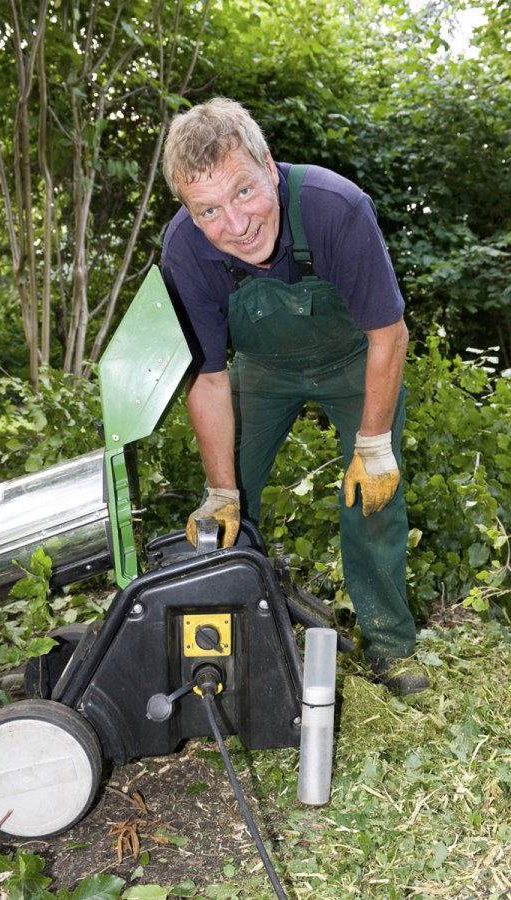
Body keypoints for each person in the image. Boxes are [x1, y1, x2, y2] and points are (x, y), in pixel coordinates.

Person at [160, 98, 428, 695]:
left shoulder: (335, 208)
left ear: (269, 167)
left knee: (372, 496)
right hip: (262, 370)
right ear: (188, 211)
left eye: (245, 193)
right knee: (226, 510)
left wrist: (375, 444)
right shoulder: (184, 251)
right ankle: (232, 642)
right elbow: (206, 378)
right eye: (208, 210)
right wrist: (220, 491)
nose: (235, 224)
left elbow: (389, 333)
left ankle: (389, 647)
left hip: (357, 361)